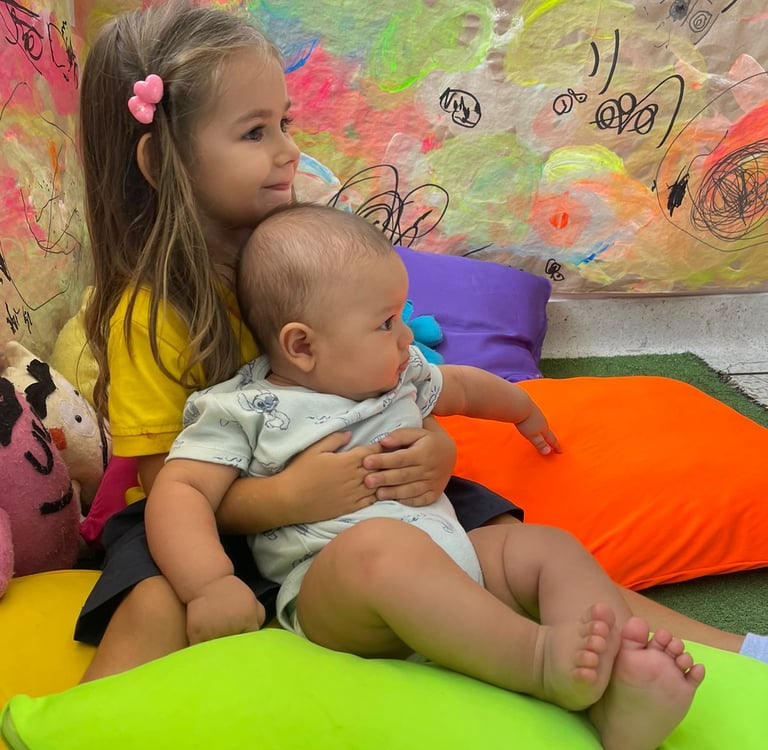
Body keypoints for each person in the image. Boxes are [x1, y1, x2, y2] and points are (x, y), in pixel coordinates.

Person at [73, 0, 767, 683]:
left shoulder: (291, 247)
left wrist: (433, 451)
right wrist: (293, 501)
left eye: (285, 122)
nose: (289, 150)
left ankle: (736, 657)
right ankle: (80, 724)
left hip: (365, 500)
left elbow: (386, 378)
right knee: (155, 601)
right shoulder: (149, 314)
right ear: (162, 163)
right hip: (208, 535)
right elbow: (175, 489)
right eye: (255, 133)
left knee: (522, 554)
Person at [147, 203, 705, 750]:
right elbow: (182, 490)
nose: (406, 337)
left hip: (453, 559)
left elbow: (461, 385)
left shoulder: (396, 375)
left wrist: (521, 409)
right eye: (386, 323)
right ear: (302, 345)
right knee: (381, 548)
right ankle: (539, 660)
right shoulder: (244, 408)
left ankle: (613, 688)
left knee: (546, 549)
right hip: (340, 595)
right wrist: (211, 585)